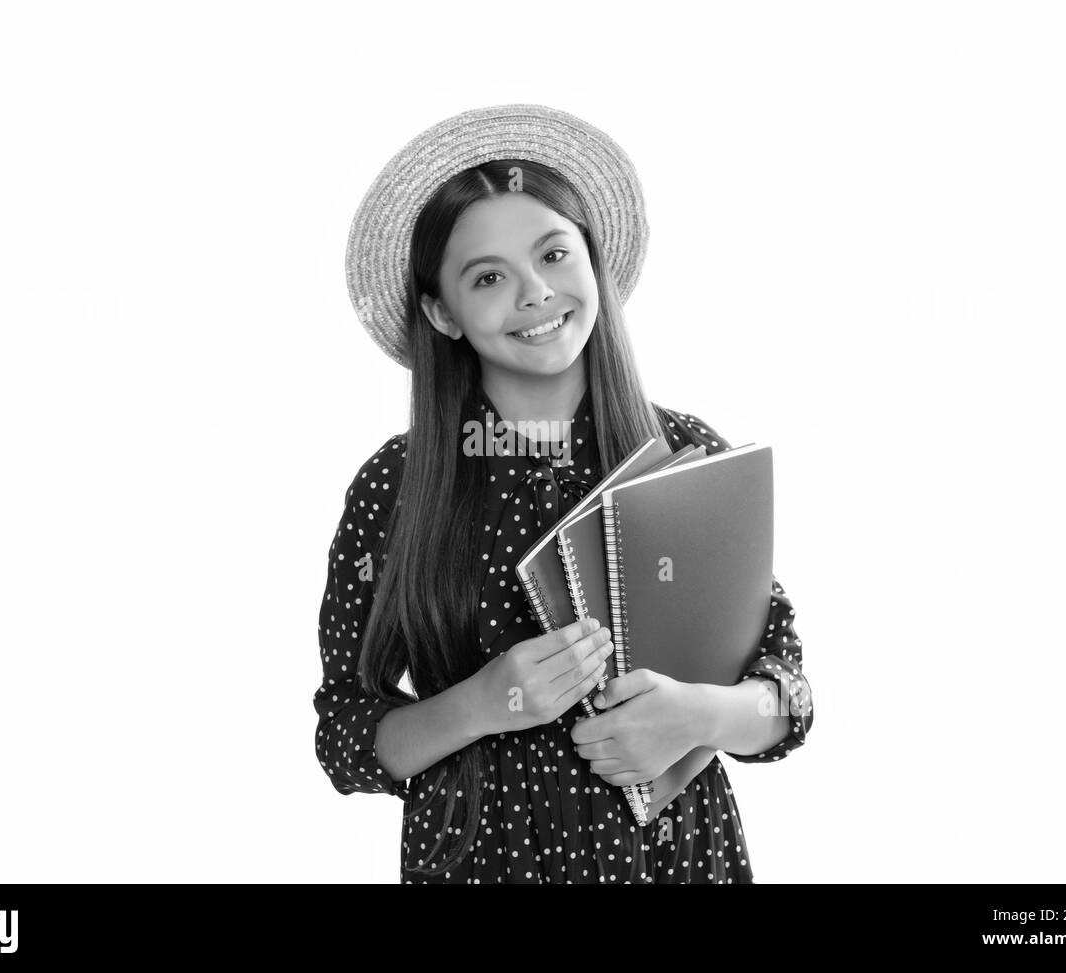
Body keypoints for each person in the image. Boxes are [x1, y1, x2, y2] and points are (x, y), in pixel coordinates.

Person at [314, 104, 814, 883]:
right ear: (441, 312)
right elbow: (345, 733)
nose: (536, 293)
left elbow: (785, 696)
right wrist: (480, 703)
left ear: (595, 262)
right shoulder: (396, 487)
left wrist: (697, 715)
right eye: (488, 276)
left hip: (678, 861)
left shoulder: (685, 456)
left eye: (553, 253)